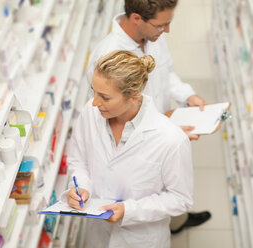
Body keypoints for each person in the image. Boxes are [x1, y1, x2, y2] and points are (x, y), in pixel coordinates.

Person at [86, 0, 211, 233]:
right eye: (161, 25)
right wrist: (165, 132)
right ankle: (172, 225)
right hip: (138, 148)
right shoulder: (108, 56)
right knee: (147, 203)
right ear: (136, 18)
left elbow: (166, 72)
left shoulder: (153, 36)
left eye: (168, 23)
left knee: (171, 191)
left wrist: (188, 95)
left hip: (163, 127)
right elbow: (108, 116)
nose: (167, 31)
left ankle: (177, 223)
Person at [65, 50, 193, 248]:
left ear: (134, 96)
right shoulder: (90, 113)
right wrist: (81, 187)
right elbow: (78, 160)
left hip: (141, 239)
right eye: (94, 92)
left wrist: (129, 210)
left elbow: (180, 198)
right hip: (98, 232)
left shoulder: (170, 138)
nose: (95, 102)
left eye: (105, 97)